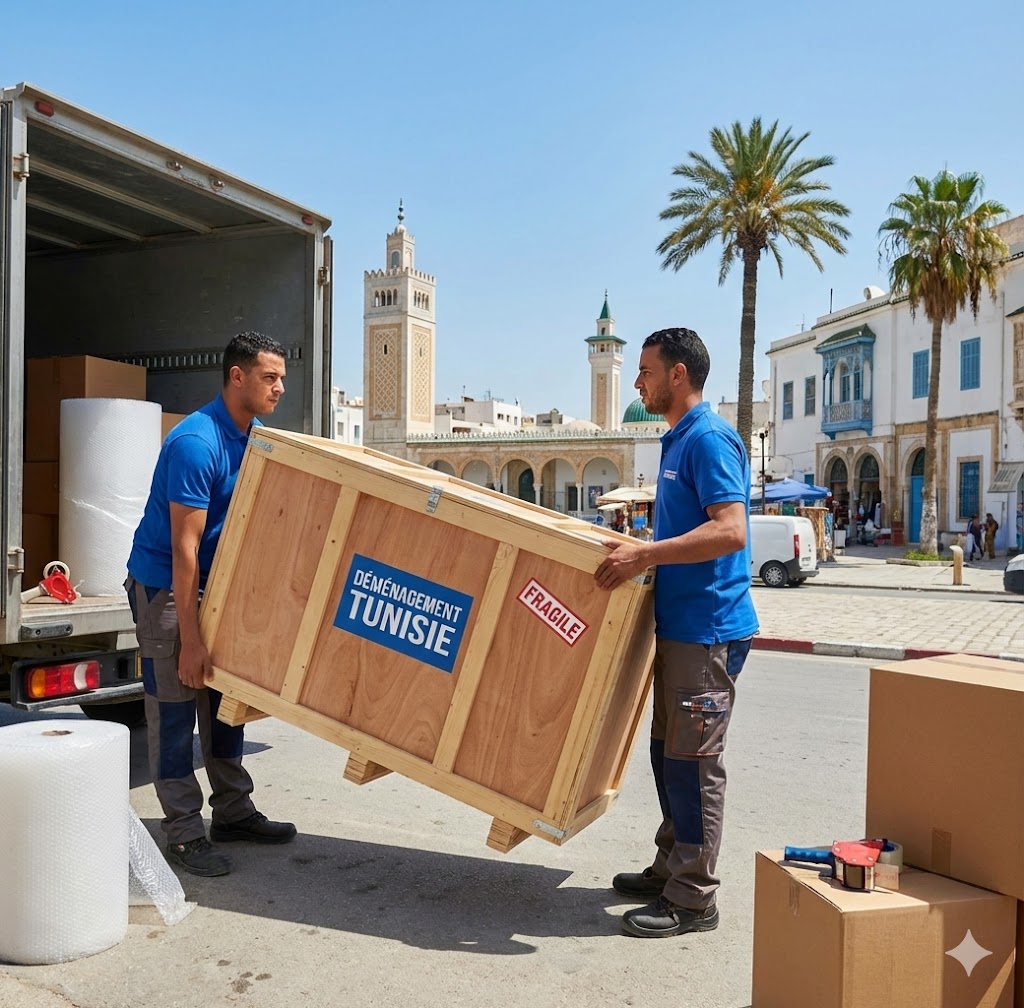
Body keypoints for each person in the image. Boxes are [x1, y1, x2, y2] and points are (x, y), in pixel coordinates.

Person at [593, 327, 758, 939]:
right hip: (681, 628)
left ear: (678, 375)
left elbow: (732, 530)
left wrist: (646, 555)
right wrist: (643, 551)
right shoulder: (678, 440)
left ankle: (693, 898)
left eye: (646, 372)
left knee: (693, 762)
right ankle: (672, 865)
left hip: (709, 631)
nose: (638, 383)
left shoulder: (709, 439)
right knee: (670, 756)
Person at [125, 332, 297, 877]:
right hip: (165, 587)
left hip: (216, 583)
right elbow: (184, 550)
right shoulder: (197, 443)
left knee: (226, 705)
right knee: (175, 705)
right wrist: (192, 640)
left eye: (282, 378)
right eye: (270, 378)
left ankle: (233, 812)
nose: (280, 388)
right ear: (237, 377)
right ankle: (181, 832)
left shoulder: (259, 438)